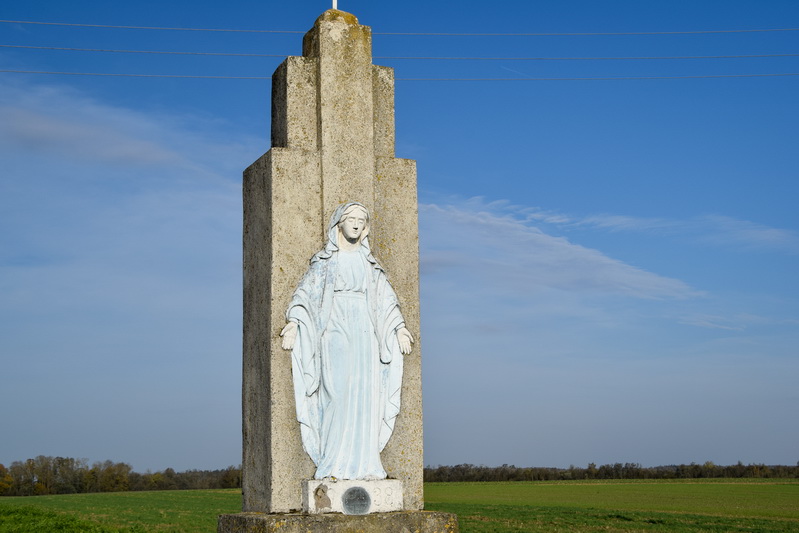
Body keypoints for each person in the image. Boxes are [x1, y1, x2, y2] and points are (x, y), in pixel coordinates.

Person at [280, 202, 413, 480]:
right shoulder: (326, 261)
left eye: (361, 220)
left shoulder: (369, 264)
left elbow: (386, 300)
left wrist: (399, 328)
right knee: (337, 393)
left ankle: (365, 464)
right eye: (350, 219)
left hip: (365, 330)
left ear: (365, 228)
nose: (355, 224)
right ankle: (333, 461)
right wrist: (294, 324)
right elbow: (305, 295)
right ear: (338, 223)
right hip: (335, 326)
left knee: (365, 394)